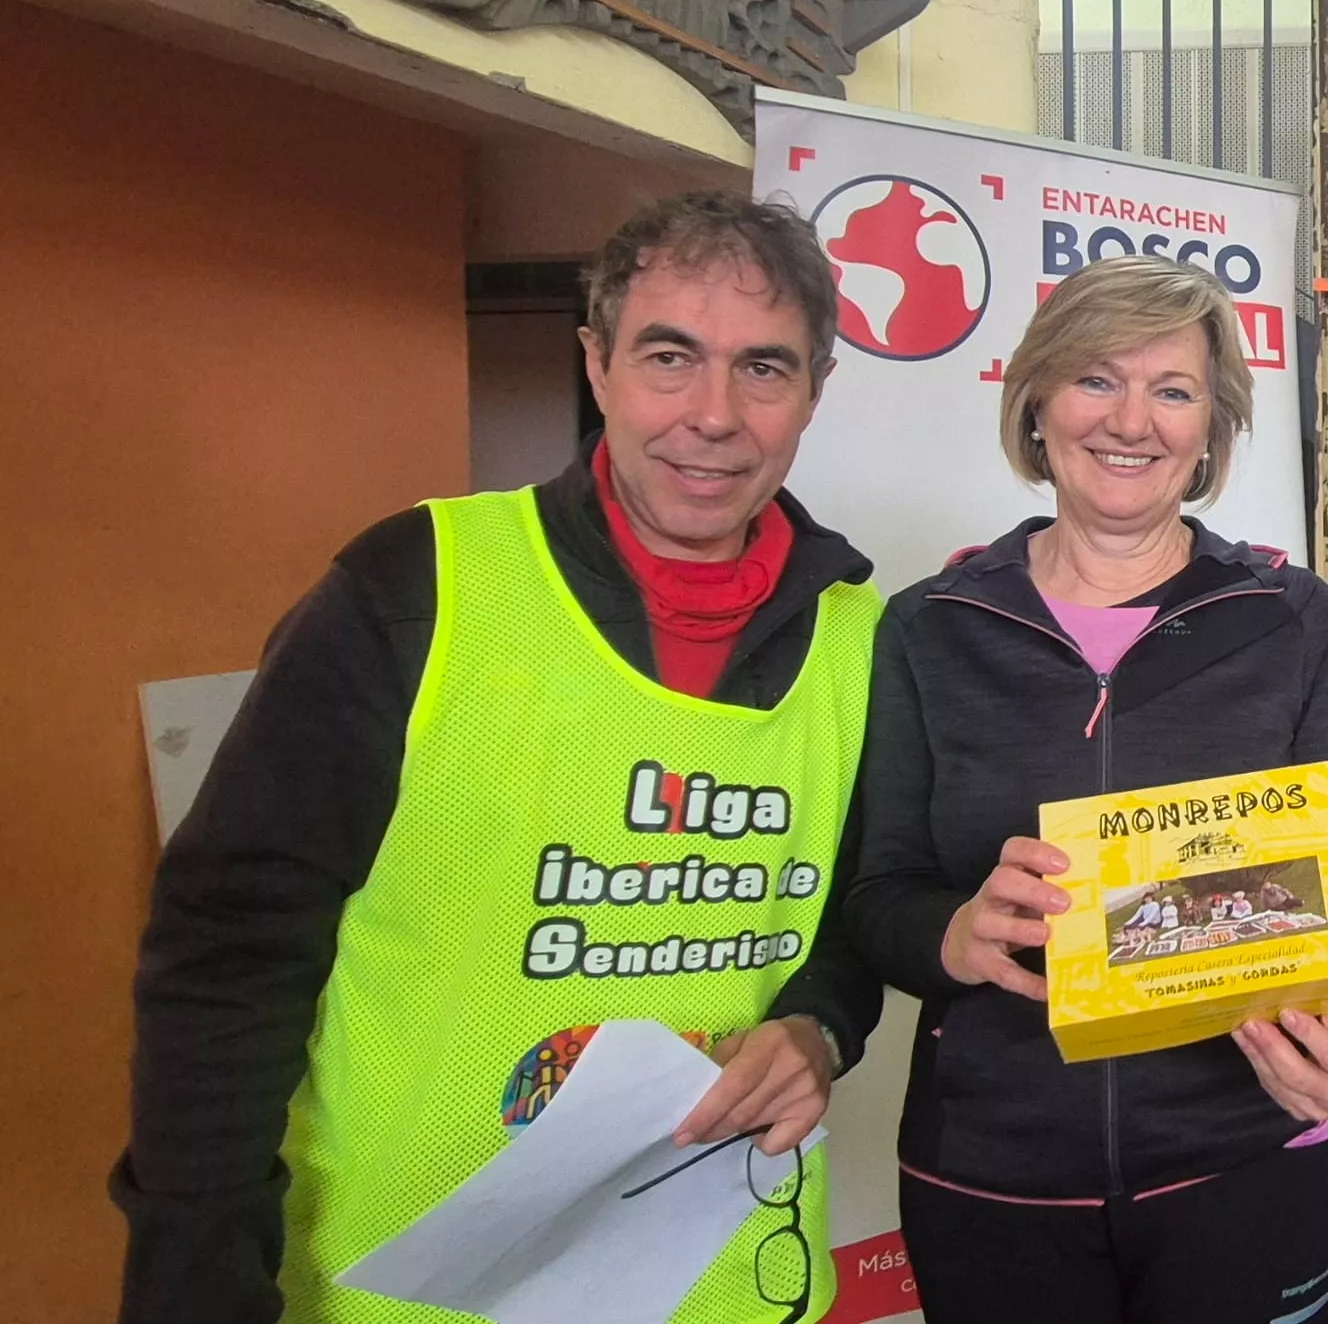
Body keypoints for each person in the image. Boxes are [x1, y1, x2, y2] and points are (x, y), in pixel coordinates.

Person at [112, 193, 885, 1324]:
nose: (713, 415)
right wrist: (196, 1275)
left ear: (815, 389)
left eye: (762, 368)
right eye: (669, 357)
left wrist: (820, 1025)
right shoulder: (414, 590)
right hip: (403, 1290)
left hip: (729, 1284)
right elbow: (229, 953)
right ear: (598, 363)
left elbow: (858, 919)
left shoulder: (866, 640)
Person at [846, 255, 1328, 1324]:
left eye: (1173, 390)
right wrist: (954, 933)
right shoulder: (929, 627)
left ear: (1212, 428)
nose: (1131, 421)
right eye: (1096, 378)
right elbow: (877, 896)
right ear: (1036, 401)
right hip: (996, 1180)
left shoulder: (1293, 620)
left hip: (1247, 1163)